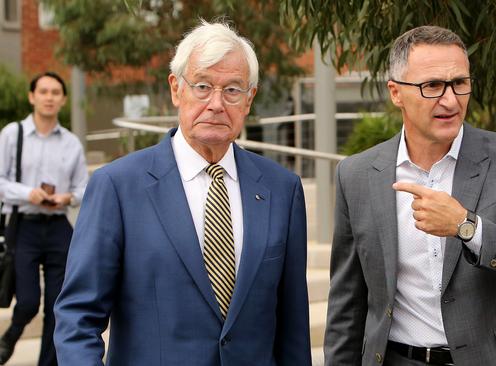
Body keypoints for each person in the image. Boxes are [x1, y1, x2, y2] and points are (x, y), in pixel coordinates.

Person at [53, 20, 311, 365]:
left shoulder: (282, 189)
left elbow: (293, 328)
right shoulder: (117, 186)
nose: (217, 103)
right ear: (176, 89)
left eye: (233, 90)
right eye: (203, 86)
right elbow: (77, 319)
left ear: (249, 99)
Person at [324, 25, 496, 366]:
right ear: (395, 92)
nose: (450, 100)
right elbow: (347, 301)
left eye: (459, 83)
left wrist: (467, 226)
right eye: (432, 85)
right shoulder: (357, 174)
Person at [0, 71, 88, 366]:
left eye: (55, 92)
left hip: (59, 228)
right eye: (44, 91)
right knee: (26, 301)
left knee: (57, 307)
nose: (49, 97)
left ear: (63, 99)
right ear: (32, 96)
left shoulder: (71, 143)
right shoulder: (13, 134)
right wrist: (28, 194)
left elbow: (83, 187)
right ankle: (10, 337)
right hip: (24, 227)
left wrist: (68, 198)